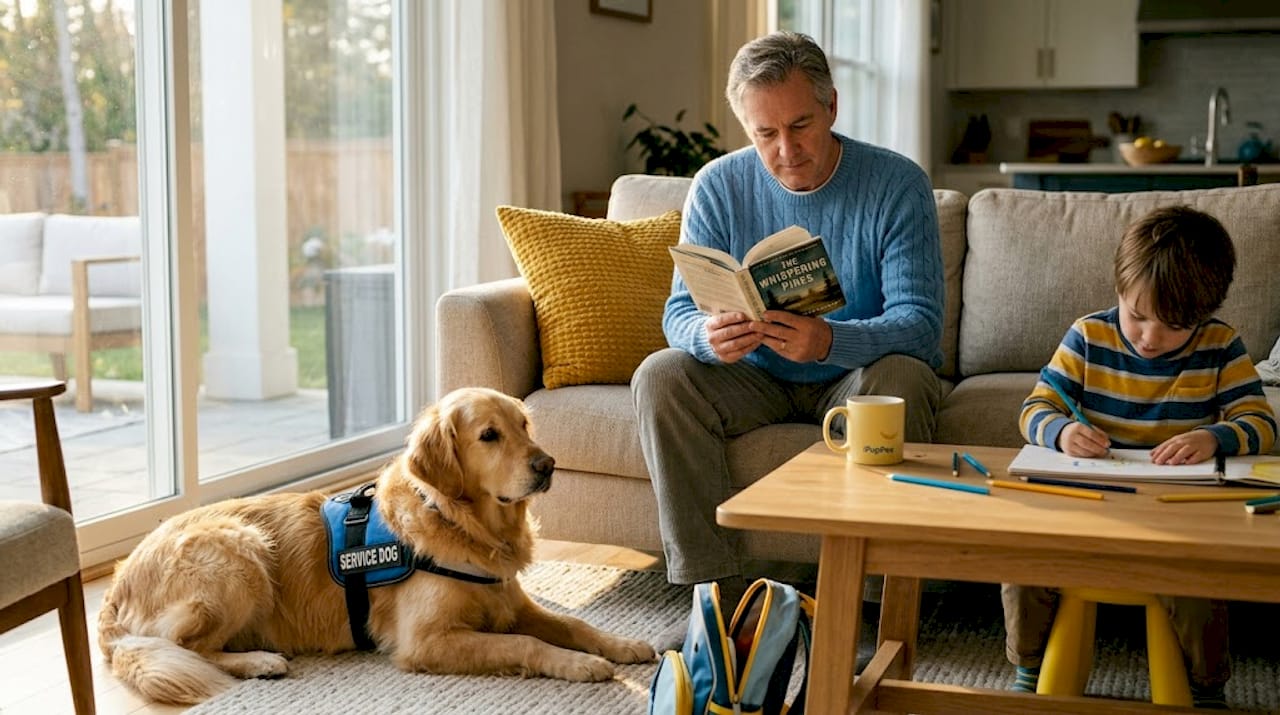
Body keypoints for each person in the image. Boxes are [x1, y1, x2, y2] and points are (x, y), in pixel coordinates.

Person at [631, 30, 944, 645]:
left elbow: (922, 326)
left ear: (831, 106)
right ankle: (714, 596)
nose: (785, 151)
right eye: (763, 134)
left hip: (855, 377)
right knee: (660, 374)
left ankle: (875, 605)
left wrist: (830, 342)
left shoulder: (895, 183)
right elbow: (677, 314)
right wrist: (707, 336)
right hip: (755, 376)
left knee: (902, 378)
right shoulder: (719, 185)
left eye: (800, 126)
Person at [1006, 205, 1277, 708]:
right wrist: (1062, 432)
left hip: (1178, 513)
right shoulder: (1089, 336)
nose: (1150, 338)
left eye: (1174, 326)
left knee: (1199, 579)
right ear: (1118, 292)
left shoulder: (1221, 346)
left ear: (1204, 312)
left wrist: (1216, 436)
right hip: (1090, 505)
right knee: (1024, 558)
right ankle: (1030, 665)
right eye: (1137, 316)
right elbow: (1034, 409)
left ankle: (1206, 685)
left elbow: (1261, 423)